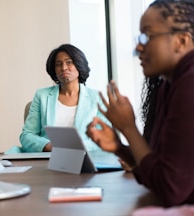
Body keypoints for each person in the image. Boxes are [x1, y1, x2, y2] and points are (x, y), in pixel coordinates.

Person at [86, 0, 194, 207]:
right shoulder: (168, 84)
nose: (138, 46)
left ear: (181, 40)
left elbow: (170, 190)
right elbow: (158, 171)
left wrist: (128, 127)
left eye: (148, 36)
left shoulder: (189, 84)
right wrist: (120, 148)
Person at [20, 44, 109, 152]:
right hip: (48, 157)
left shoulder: (96, 98)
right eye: (58, 64)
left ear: (79, 65)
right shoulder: (42, 95)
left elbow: (105, 138)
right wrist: (49, 146)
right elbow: (27, 135)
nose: (63, 68)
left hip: (84, 156)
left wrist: (75, 147)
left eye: (69, 62)